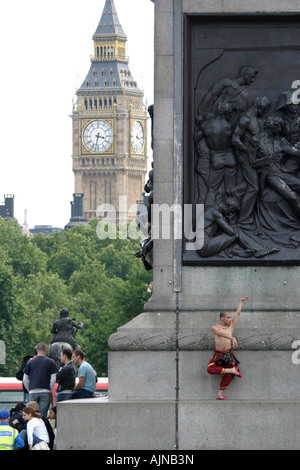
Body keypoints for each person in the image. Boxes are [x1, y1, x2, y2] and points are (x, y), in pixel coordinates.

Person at [207, 296, 249, 400]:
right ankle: (230, 369)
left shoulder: (231, 327)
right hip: (219, 355)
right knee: (210, 369)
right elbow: (221, 334)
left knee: (232, 374)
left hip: (229, 355)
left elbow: (238, 313)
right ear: (222, 318)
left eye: (230, 317)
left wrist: (241, 301)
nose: (230, 319)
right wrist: (232, 338)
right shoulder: (214, 328)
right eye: (228, 317)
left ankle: (220, 394)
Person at [23, 342, 58, 418]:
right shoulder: (51, 362)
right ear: (45, 350)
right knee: (42, 415)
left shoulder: (30, 362)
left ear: (36, 350)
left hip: (33, 391)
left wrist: (30, 390)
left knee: (32, 415)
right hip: (45, 391)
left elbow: (25, 379)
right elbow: (53, 378)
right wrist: (49, 389)